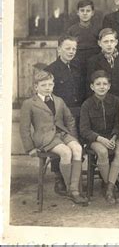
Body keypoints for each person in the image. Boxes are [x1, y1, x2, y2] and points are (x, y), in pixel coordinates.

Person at [19, 70, 87, 205]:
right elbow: (24, 128)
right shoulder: (29, 103)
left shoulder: (59, 100)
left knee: (77, 149)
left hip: (62, 134)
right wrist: (30, 148)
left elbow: (70, 120)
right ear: (36, 87)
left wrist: (73, 137)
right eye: (43, 85)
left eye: (50, 84)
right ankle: (73, 191)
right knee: (66, 152)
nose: (47, 88)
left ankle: (73, 188)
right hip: (44, 137)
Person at [45, 35, 86, 195]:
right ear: (59, 49)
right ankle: (59, 178)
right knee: (60, 146)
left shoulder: (78, 67)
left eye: (74, 49)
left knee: (79, 145)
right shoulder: (51, 70)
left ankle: (74, 178)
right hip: (59, 116)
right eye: (67, 48)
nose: (71, 51)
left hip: (78, 112)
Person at [80, 70, 119, 204]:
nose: (102, 87)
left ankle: (109, 188)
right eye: (98, 84)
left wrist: (114, 136)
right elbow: (84, 130)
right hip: (95, 139)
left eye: (105, 84)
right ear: (92, 87)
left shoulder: (116, 101)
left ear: (109, 86)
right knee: (102, 151)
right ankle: (109, 185)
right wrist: (100, 139)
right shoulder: (87, 105)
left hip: (113, 137)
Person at [87, 28, 119, 100]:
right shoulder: (93, 61)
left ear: (116, 42)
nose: (109, 44)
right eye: (106, 42)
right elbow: (90, 84)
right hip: (103, 99)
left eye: (112, 41)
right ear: (99, 43)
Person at [66, 0, 101, 71]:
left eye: (88, 11)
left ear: (92, 13)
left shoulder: (98, 30)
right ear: (78, 13)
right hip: (76, 65)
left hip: (94, 65)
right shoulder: (72, 30)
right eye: (82, 11)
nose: (85, 13)